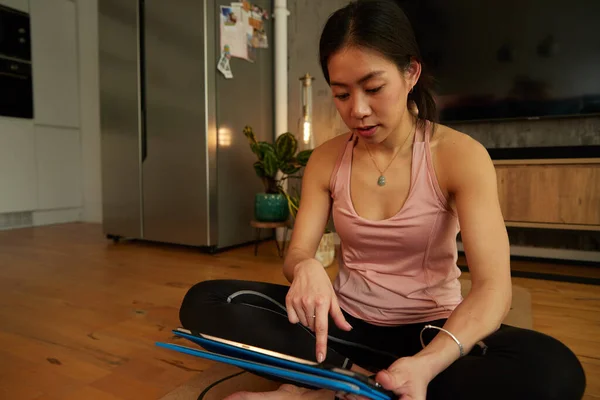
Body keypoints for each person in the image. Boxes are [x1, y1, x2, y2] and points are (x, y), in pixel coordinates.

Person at [178, 0, 586, 399]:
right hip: (343, 325)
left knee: (554, 370)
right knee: (206, 301)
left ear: (411, 73)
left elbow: (494, 288)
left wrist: (427, 363)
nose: (357, 110)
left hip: (431, 331)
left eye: (373, 88)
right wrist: (305, 267)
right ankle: (357, 382)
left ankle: (325, 385)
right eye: (341, 94)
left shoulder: (459, 155)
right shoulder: (325, 158)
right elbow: (298, 250)